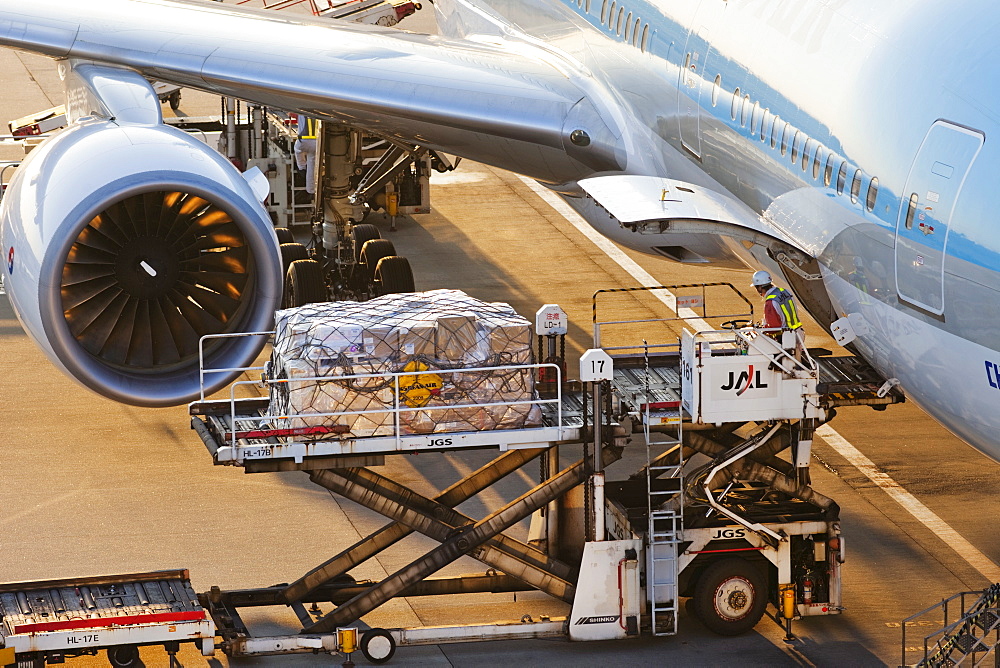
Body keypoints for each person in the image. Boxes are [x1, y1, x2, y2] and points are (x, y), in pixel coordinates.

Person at [751, 270, 804, 354]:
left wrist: (760, 330)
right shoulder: (785, 292)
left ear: (760, 287)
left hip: (785, 339)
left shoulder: (771, 302)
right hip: (798, 334)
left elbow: (774, 327)